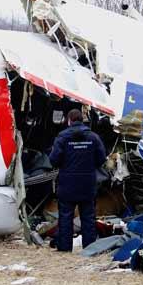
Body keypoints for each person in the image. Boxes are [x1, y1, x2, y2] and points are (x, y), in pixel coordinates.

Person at [49, 108, 106, 252]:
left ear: (69, 121)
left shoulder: (62, 137)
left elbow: (53, 160)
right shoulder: (93, 137)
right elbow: (101, 159)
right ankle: (90, 248)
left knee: (65, 217)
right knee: (88, 217)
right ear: (82, 120)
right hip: (87, 184)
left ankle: (64, 248)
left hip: (67, 184)